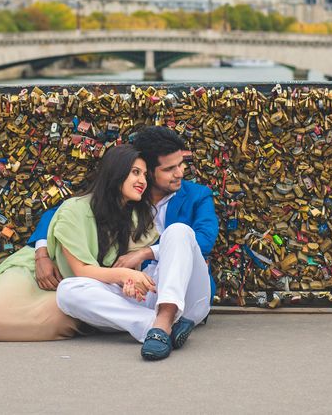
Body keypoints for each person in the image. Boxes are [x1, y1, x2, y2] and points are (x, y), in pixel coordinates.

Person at [0, 144, 158, 341]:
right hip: (44, 272)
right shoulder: (76, 210)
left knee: (58, 320)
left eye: (145, 175)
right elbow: (81, 269)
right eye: (135, 172)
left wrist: (130, 282)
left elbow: (126, 272)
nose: (142, 180)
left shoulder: (139, 219)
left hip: (82, 288)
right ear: (115, 173)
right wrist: (126, 277)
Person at [52, 126, 219, 360]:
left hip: (186, 292)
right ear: (149, 171)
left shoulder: (197, 195)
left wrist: (145, 253)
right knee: (68, 291)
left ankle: (163, 320)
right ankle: (157, 326)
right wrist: (41, 248)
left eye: (181, 165)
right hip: (143, 291)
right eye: (170, 168)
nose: (180, 173)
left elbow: (204, 241)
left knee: (179, 231)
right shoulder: (129, 197)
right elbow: (65, 212)